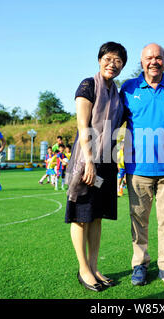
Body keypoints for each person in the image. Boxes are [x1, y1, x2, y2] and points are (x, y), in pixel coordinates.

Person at [120, 43, 164, 289]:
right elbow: (119, 126)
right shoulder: (128, 88)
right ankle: (140, 263)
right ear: (141, 61)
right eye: (149, 58)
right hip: (137, 169)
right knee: (139, 220)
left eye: (158, 57)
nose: (154, 61)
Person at [64, 41, 127, 292]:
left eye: (118, 60)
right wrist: (89, 161)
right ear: (99, 59)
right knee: (80, 216)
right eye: (108, 58)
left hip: (107, 162)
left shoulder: (116, 91)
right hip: (86, 162)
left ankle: (93, 266)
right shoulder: (88, 85)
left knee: (96, 216)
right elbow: (83, 125)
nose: (112, 64)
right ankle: (83, 269)